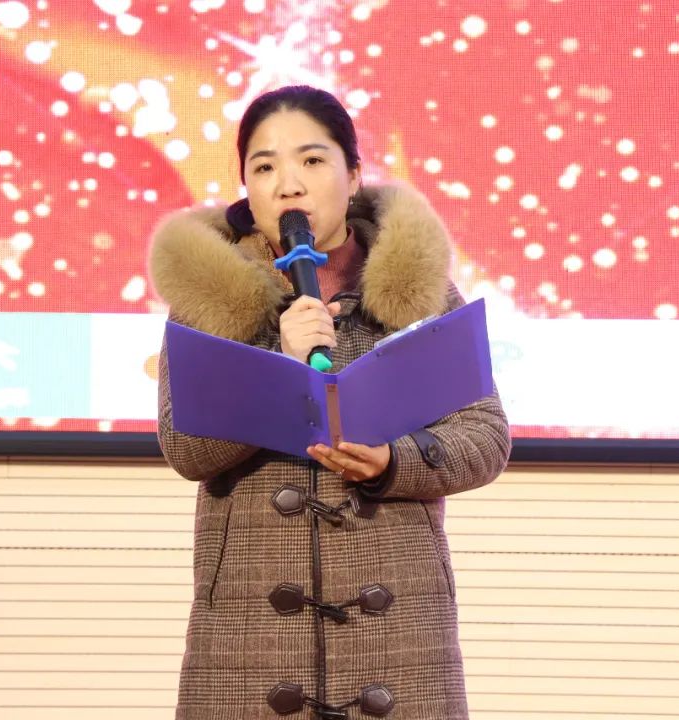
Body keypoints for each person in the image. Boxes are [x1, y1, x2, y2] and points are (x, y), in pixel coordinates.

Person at [148, 85, 511, 720]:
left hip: (399, 634)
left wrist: (395, 462)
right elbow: (185, 447)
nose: (288, 185)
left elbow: (485, 438)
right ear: (247, 188)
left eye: (312, 161)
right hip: (248, 640)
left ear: (354, 176)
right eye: (264, 167)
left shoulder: (420, 292)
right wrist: (279, 368)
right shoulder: (206, 302)